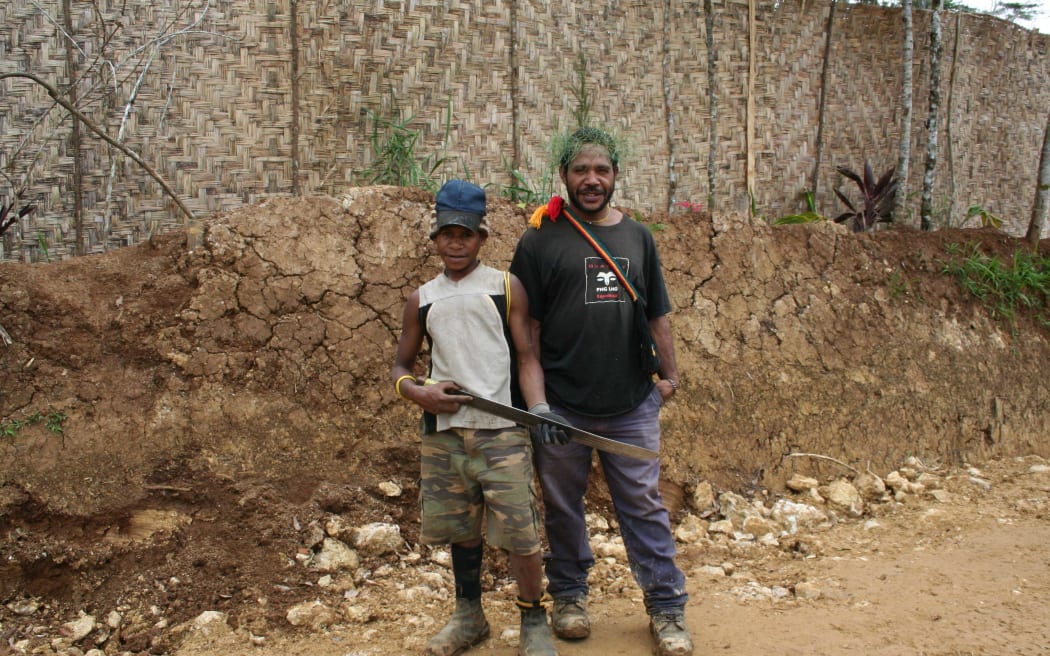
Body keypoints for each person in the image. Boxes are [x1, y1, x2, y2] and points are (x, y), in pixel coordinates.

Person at [509, 127, 693, 656]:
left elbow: (657, 313)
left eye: (602, 171)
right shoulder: (540, 240)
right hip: (563, 408)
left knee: (643, 507)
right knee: (563, 507)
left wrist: (669, 380)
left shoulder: (638, 238)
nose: (592, 180)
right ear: (563, 175)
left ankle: (666, 609)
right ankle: (568, 597)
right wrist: (539, 405)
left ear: (615, 175)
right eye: (581, 170)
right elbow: (530, 335)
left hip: (632, 405)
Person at [392, 179, 568, 656]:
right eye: (447, 233)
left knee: (520, 533)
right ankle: (469, 615)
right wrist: (419, 395)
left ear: (482, 238)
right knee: (461, 531)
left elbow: (527, 357)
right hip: (446, 435)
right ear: (434, 238)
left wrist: (539, 410)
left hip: (502, 431)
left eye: (465, 234)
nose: (456, 242)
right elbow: (401, 368)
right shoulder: (422, 298)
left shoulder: (504, 287)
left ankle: (533, 618)